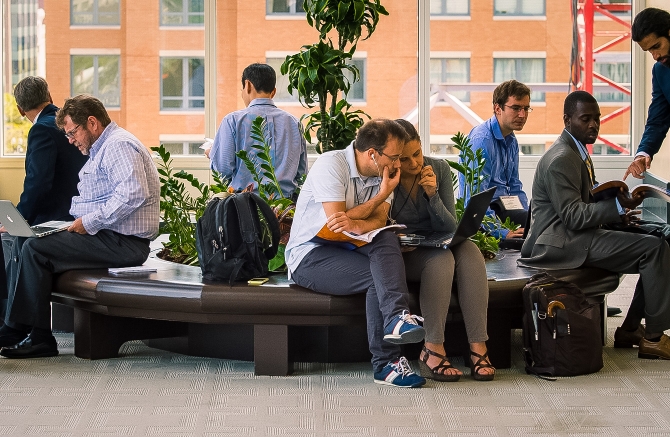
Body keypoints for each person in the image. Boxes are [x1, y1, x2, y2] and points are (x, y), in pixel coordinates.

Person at [0, 94, 160, 359]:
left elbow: (133, 193)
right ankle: (16, 328)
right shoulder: (103, 147)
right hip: (107, 235)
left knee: (35, 249)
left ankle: (38, 338)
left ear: (92, 123)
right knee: (22, 239)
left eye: (73, 132)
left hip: (123, 243)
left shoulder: (118, 145)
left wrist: (88, 222)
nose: (71, 140)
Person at [520, 91, 670, 359]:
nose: (593, 125)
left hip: (573, 234)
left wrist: (618, 213)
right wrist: (618, 206)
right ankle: (653, 338)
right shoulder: (562, 158)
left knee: (661, 239)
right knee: (654, 249)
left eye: (597, 119)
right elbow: (574, 217)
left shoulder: (577, 150)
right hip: (560, 242)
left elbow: (584, 201)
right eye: (585, 118)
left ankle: (630, 330)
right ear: (567, 120)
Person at [286, 119, 426, 388]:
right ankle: (387, 363)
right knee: (379, 275)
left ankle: (396, 323)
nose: (398, 165)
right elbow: (335, 223)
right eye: (394, 157)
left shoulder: (384, 173)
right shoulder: (332, 164)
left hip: (351, 248)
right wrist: (379, 196)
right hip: (310, 255)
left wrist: (358, 223)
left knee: (386, 238)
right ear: (373, 154)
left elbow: (378, 221)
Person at [391, 119, 494, 382]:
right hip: (406, 252)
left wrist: (432, 195)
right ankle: (432, 347)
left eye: (417, 153)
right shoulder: (388, 175)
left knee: (469, 251)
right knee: (441, 259)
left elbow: (449, 224)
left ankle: (478, 347)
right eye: (404, 159)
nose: (414, 163)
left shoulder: (439, 168)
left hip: (437, 240)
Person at [0, 76, 88, 319]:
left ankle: (12, 322)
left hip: (56, 216)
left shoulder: (41, 129)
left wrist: (18, 219)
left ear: (19, 109)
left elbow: (38, 183)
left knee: (12, 240)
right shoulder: (67, 123)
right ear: (49, 97)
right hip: (80, 212)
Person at [207, 63, 307, 198]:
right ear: (273, 92)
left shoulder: (233, 121)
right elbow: (301, 173)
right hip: (285, 210)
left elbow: (223, 171)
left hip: (245, 209)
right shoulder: (295, 123)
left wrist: (212, 153)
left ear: (247, 85)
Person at [462, 80, 531, 239]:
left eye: (526, 108)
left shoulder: (511, 140)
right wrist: (503, 232)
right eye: (516, 108)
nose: (522, 114)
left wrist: (527, 216)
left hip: (505, 208)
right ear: (497, 108)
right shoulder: (481, 141)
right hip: (485, 217)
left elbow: (514, 185)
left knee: (540, 224)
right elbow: (474, 203)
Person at [624, 7, 670, 181]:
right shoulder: (660, 71)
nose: (655, 55)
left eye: (657, 46)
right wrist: (643, 152)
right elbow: (657, 121)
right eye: (649, 51)